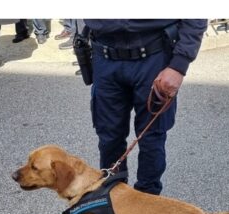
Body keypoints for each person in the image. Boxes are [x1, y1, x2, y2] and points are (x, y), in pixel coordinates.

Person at [83, 19, 208, 195]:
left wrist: (179, 65)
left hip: (154, 57)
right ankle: (114, 200)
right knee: (109, 138)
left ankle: (148, 204)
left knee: (152, 139)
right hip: (104, 56)